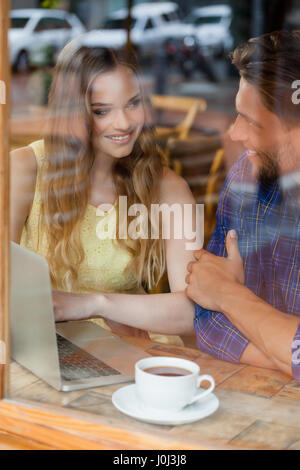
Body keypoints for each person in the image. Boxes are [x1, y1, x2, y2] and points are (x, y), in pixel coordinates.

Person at [10, 44, 199, 345]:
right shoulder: (24, 169)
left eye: (133, 104)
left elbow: (193, 313)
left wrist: (97, 304)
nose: (123, 123)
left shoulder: (168, 187)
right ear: (72, 114)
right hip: (42, 346)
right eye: (101, 111)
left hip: (131, 347)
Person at [185, 30, 300, 381]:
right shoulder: (244, 179)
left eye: (251, 121)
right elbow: (205, 318)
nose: (234, 134)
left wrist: (227, 295)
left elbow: (215, 294)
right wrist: (287, 358)